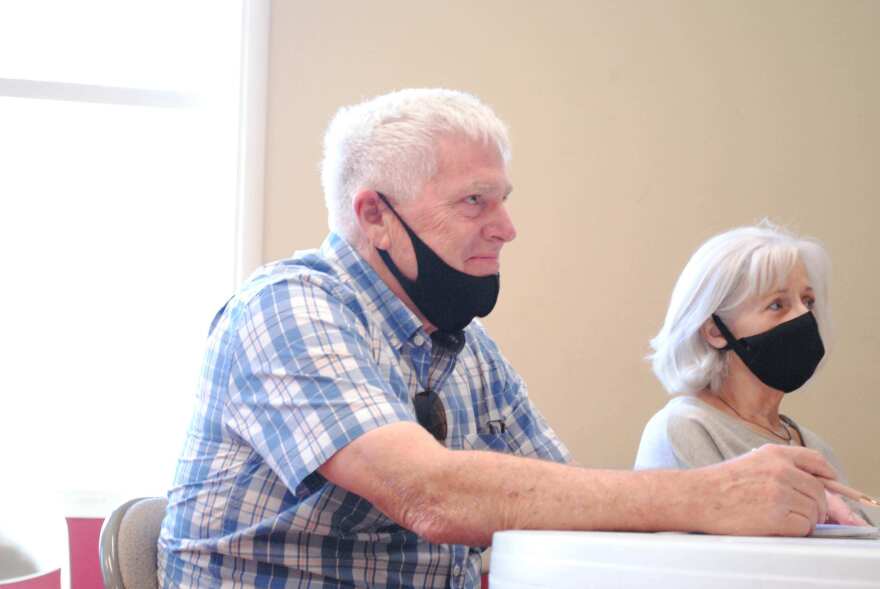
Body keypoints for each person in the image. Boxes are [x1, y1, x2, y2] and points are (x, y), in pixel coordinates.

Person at [158, 90, 849, 589]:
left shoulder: (466, 347)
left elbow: (564, 504)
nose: (506, 227)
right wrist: (705, 496)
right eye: (474, 201)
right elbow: (429, 492)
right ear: (375, 215)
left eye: (503, 198)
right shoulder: (284, 309)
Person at [634, 222, 869, 525]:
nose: (804, 317)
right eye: (777, 304)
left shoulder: (814, 447)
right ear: (716, 331)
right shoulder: (684, 429)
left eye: (807, 301)